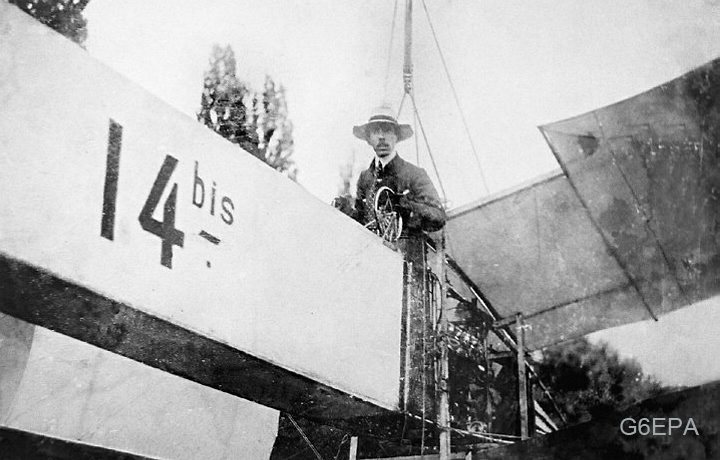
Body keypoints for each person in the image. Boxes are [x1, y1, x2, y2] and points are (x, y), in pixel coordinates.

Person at [344, 105, 446, 236]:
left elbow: (438, 217)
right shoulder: (365, 178)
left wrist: (406, 205)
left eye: (387, 131)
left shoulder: (414, 174)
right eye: (376, 131)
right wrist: (347, 212)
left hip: (406, 247)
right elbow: (363, 223)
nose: (381, 137)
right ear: (369, 139)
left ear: (396, 136)